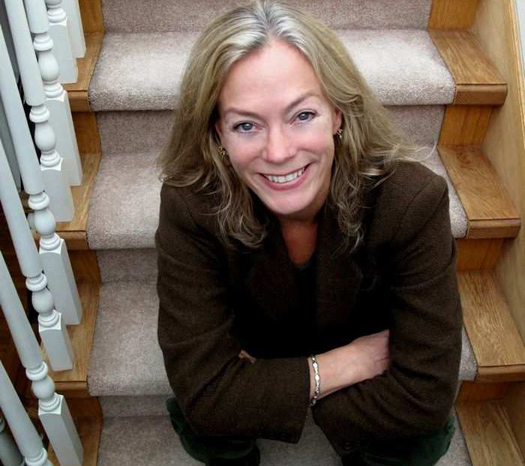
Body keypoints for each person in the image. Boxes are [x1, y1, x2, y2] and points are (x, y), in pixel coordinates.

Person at [155, 1, 461, 465]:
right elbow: (205, 397)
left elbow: (426, 396)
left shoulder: (411, 201)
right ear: (218, 133)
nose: (278, 152)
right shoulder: (191, 205)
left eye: (302, 115)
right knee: (203, 422)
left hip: (284, 360)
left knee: (419, 438)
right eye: (246, 125)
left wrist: (280, 393)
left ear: (338, 114)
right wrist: (335, 369)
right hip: (293, 346)